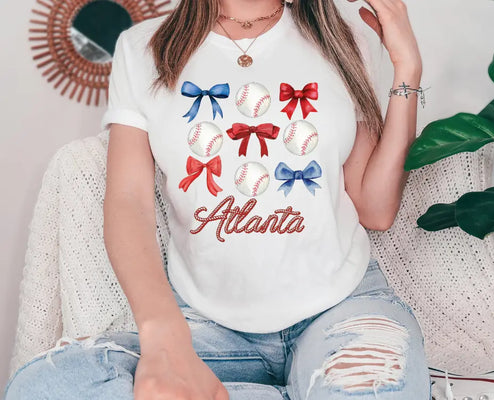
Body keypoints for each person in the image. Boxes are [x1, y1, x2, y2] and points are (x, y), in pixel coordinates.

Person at [4, 0, 430, 399]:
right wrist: (162, 335)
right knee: (46, 386)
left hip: (341, 310)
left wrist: (406, 67)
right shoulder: (141, 48)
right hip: (205, 326)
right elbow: (129, 201)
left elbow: (374, 209)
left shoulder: (344, 37)